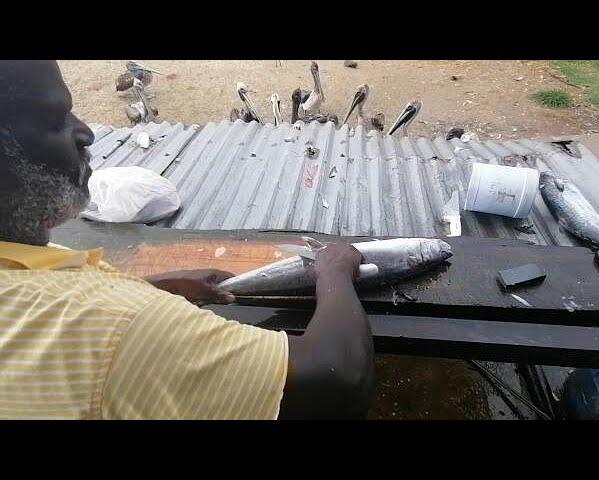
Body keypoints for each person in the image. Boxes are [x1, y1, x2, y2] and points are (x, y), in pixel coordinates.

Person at [0, 60, 374, 420]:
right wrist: (333, 271)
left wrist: (154, 286)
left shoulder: (23, 258)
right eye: (54, 121)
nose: (86, 132)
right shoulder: (118, 326)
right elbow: (338, 379)